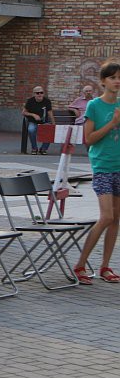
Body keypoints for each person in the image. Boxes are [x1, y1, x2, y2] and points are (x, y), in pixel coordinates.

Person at [72, 62, 120, 286]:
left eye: (119, 77)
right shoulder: (94, 106)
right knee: (107, 216)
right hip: (102, 166)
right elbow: (88, 139)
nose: (116, 81)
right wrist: (112, 123)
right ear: (103, 82)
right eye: (112, 78)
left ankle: (105, 266)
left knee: (115, 219)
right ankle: (80, 265)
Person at [22, 85, 52, 155]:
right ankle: (34, 148)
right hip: (33, 121)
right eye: (37, 93)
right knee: (31, 129)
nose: (39, 94)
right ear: (34, 94)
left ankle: (44, 148)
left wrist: (53, 123)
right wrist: (33, 115)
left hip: (44, 121)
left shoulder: (47, 101)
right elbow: (24, 112)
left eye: (41, 93)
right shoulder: (30, 101)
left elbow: (50, 112)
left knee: (50, 130)